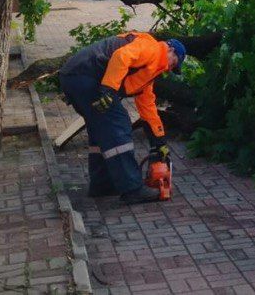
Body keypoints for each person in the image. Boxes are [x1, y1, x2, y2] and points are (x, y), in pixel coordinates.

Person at [58, 32, 186, 204]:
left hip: (76, 75)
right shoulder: (153, 49)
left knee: (101, 129)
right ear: (170, 50)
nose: (170, 68)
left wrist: (159, 141)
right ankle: (132, 188)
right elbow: (121, 56)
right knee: (118, 124)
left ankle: (102, 185)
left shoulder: (149, 73)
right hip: (85, 75)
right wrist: (108, 90)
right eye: (174, 62)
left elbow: (147, 106)